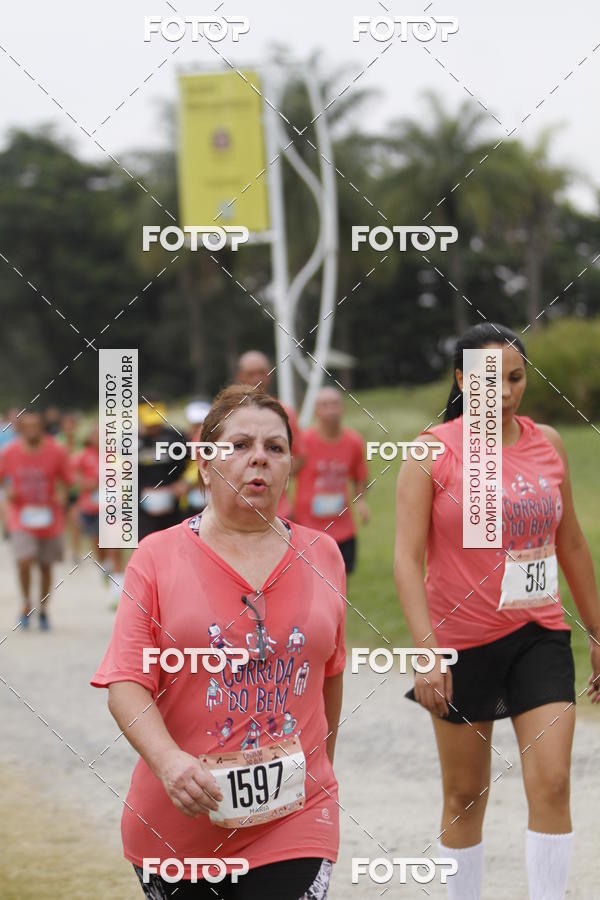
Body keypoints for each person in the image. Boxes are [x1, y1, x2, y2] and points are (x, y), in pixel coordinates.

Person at [91, 385, 346, 898]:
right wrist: (169, 762)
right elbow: (126, 682)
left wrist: (316, 774)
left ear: (289, 465)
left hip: (295, 820)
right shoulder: (156, 557)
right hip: (178, 831)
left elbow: (329, 676)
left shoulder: (324, 554)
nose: (260, 458)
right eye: (240, 445)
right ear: (205, 465)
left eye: (275, 448)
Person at [393, 323, 600, 900]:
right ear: (462, 380)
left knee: (553, 783)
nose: (505, 392)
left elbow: (571, 542)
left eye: (515, 378)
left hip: (540, 635)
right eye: (490, 380)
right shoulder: (432, 451)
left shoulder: (548, 443)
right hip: (462, 644)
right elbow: (406, 560)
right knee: (464, 795)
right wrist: (427, 652)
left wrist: (597, 631)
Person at [0, 409, 72, 629]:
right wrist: (7, 491)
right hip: (20, 514)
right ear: (20, 429)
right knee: (23, 560)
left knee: (45, 565)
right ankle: (25, 603)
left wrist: (62, 494)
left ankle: (43, 608)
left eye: (35, 426)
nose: (31, 431)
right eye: (27, 427)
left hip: (49, 515)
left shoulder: (56, 451)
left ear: (42, 428)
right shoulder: (9, 452)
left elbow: (67, 480)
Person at [294, 387, 370, 574]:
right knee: (312, 579)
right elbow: (287, 473)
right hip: (309, 528)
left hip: (343, 528)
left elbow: (360, 476)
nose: (330, 410)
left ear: (342, 408)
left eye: (335, 404)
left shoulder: (354, 441)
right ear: (316, 411)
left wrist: (360, 501)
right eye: (324, 405)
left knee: (342, 578)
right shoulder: (304, 442)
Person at [235, 351, 305, 519]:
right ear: (240, 376)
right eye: (251, 374)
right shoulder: (226, 414)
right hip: (237, 511)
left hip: (278, 511)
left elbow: (300, 456)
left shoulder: (285, 413)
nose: (257, 379)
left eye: (261, 373)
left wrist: (274, 477)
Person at [71, 424, 123, 601]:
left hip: (113, 507)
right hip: (91, 508)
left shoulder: (116, 457)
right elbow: (72, 476)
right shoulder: (82, 456)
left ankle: (117, 588)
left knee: (114, 544)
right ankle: (105, 565)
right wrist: (86, 484)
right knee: (98, 544)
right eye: (97, 435)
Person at [138, 401, 187, 540]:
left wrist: (184, 482)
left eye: (157, 422)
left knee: (174, 543)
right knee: (146, 544)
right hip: (143, 508)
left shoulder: (176, 437)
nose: (154, 427)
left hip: (173, 506)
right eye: (150, 424)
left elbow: (191, 462)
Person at [178, 400, 212, 520]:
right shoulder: (181, 441)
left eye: (203, 425)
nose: (199, 429)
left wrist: (187, 482)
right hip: (187, 505)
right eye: (196, 425)